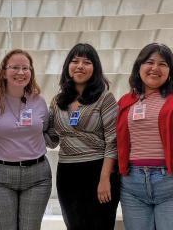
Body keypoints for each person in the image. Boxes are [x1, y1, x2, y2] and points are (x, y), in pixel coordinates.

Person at [46, 43, 120, 230]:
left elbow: (113, 141)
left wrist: (104, 179)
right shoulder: (58, 100)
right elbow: (53, 138)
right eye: (75, 61)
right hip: (67, 173)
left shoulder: (105, 98)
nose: (80, 66)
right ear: (67, 67)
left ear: (94, 69)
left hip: (98, 170)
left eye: (86, 62)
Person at [0, 49, 52, 230]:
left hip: (37, 175)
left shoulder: (38, 100)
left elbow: (45, 130)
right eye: (15, 67)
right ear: (4, 72)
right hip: (0, 176)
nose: (21, 72)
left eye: (25, 68)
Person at [117, 43, 173, 230]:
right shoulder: (126, 101)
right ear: (139, 66)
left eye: (163, 64)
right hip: (132, 184)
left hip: (168, 182)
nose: (155, 68)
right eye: (150, 62)